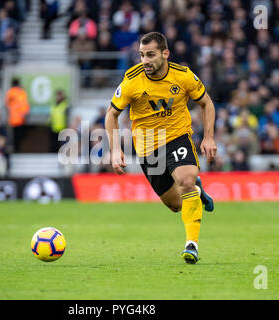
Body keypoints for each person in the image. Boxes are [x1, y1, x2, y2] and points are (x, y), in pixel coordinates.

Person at [105, 32, 217, 264]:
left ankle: (191, 245)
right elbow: (111, 114)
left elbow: (206, 102)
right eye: (142, 55)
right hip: (147, 148)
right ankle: (197, 189)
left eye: (151, 55)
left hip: (177, 137)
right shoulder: (132, 81)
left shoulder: (183, 76)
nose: (145, 60)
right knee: (176, 205)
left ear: (165, 54)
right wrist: (115, 149)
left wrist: (208, 137)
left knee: (185, 180)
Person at [4, 78, 30, 152]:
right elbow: (26, 105)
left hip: (14, 118)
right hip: (21, 118)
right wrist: (24, 113)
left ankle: (16, 149)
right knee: (19, 135)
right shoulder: (22, 92)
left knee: (15, 136)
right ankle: (17, 149)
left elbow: (6, 104)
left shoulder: (10, 92)